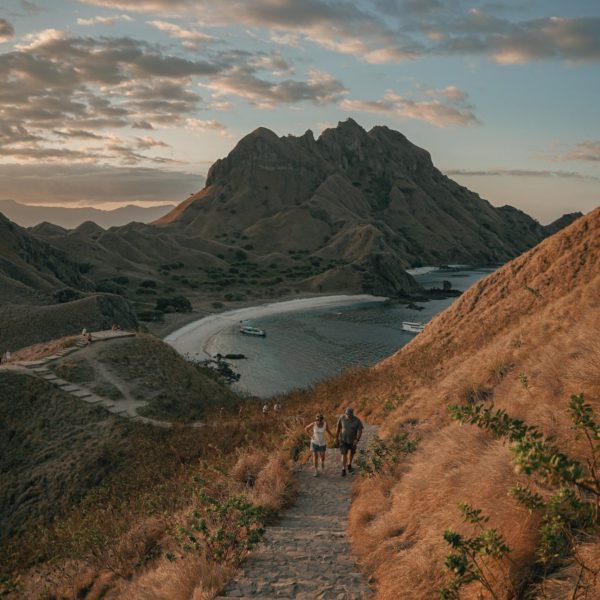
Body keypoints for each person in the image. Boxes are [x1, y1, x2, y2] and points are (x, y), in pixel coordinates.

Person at [335, 407, 363, 477]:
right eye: (347, 414)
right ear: (345, 413)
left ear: (352, 414)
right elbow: (338, 427)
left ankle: (349, 464)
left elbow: (360, 430)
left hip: (353, 440)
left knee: (351, 453)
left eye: (349, 415)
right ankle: (343, 469)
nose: (348, 416)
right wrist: (336, 437)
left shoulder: (357, 420)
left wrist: (357, 439)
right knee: (343, 454)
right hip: (343, 440)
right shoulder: (342, 418)